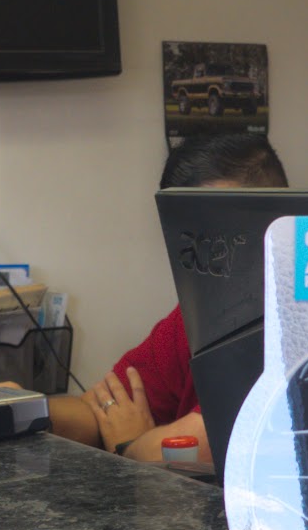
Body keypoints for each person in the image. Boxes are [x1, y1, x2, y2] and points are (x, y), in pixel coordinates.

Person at [47, 133, 287, 464]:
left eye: (226, 230)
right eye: (193, 232)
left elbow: (207, 445)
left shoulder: (297, 320)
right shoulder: (192, 320)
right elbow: (102, 410)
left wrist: (129, 444)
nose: (212, 252)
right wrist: (22, 409)